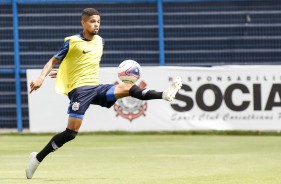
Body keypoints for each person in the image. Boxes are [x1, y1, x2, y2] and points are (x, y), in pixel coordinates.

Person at [26, 8, 182, 179]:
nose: (96, 25)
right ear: (83, 22)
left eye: (98, 21)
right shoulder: (73, 42)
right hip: (80, 91)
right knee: (71, 133)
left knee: (128, 88)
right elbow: (53, 60)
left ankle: (164, 94)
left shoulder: (100, 41)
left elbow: (81, 63)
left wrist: (64, 71)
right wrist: (41, 78)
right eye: (93, 21)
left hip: (96, 88)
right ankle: (37, 158)